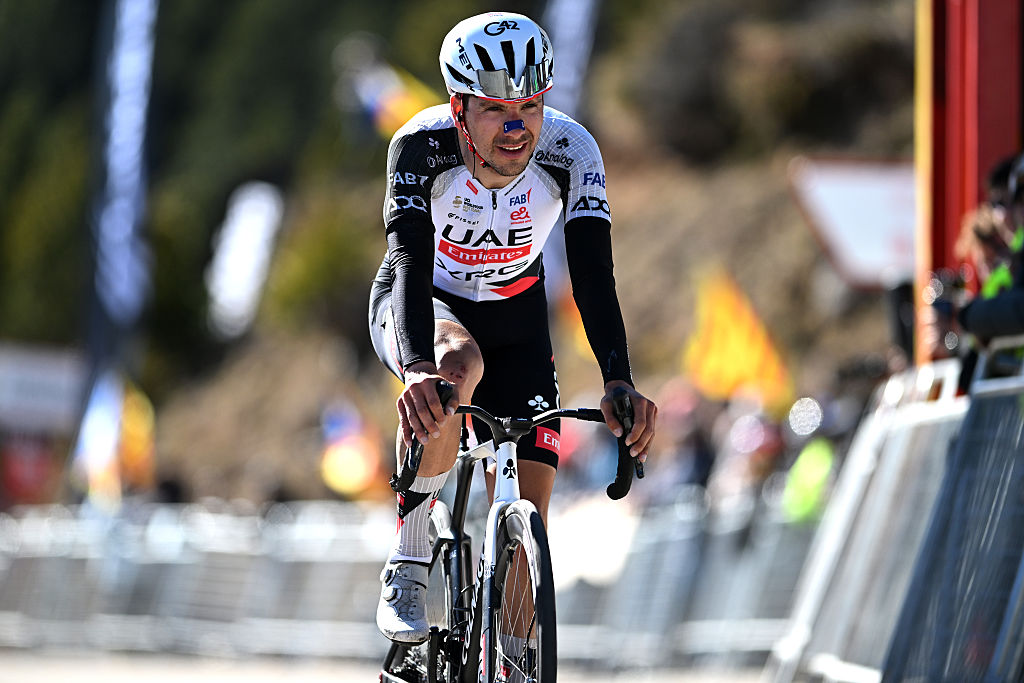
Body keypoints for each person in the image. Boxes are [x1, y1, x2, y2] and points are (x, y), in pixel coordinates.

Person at [367, 11, 657, 644]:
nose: (518, 126)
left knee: (534, 522)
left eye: (530, 105)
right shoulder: (420, 146)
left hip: (517, 318)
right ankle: (411, 562)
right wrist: (416, 368)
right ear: (459, 106)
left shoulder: (570, 148)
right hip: (425, 305)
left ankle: (514, 651)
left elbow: (592, 275)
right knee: (456, 367)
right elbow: (410, 261)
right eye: (498, 109)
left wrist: (619, 378)